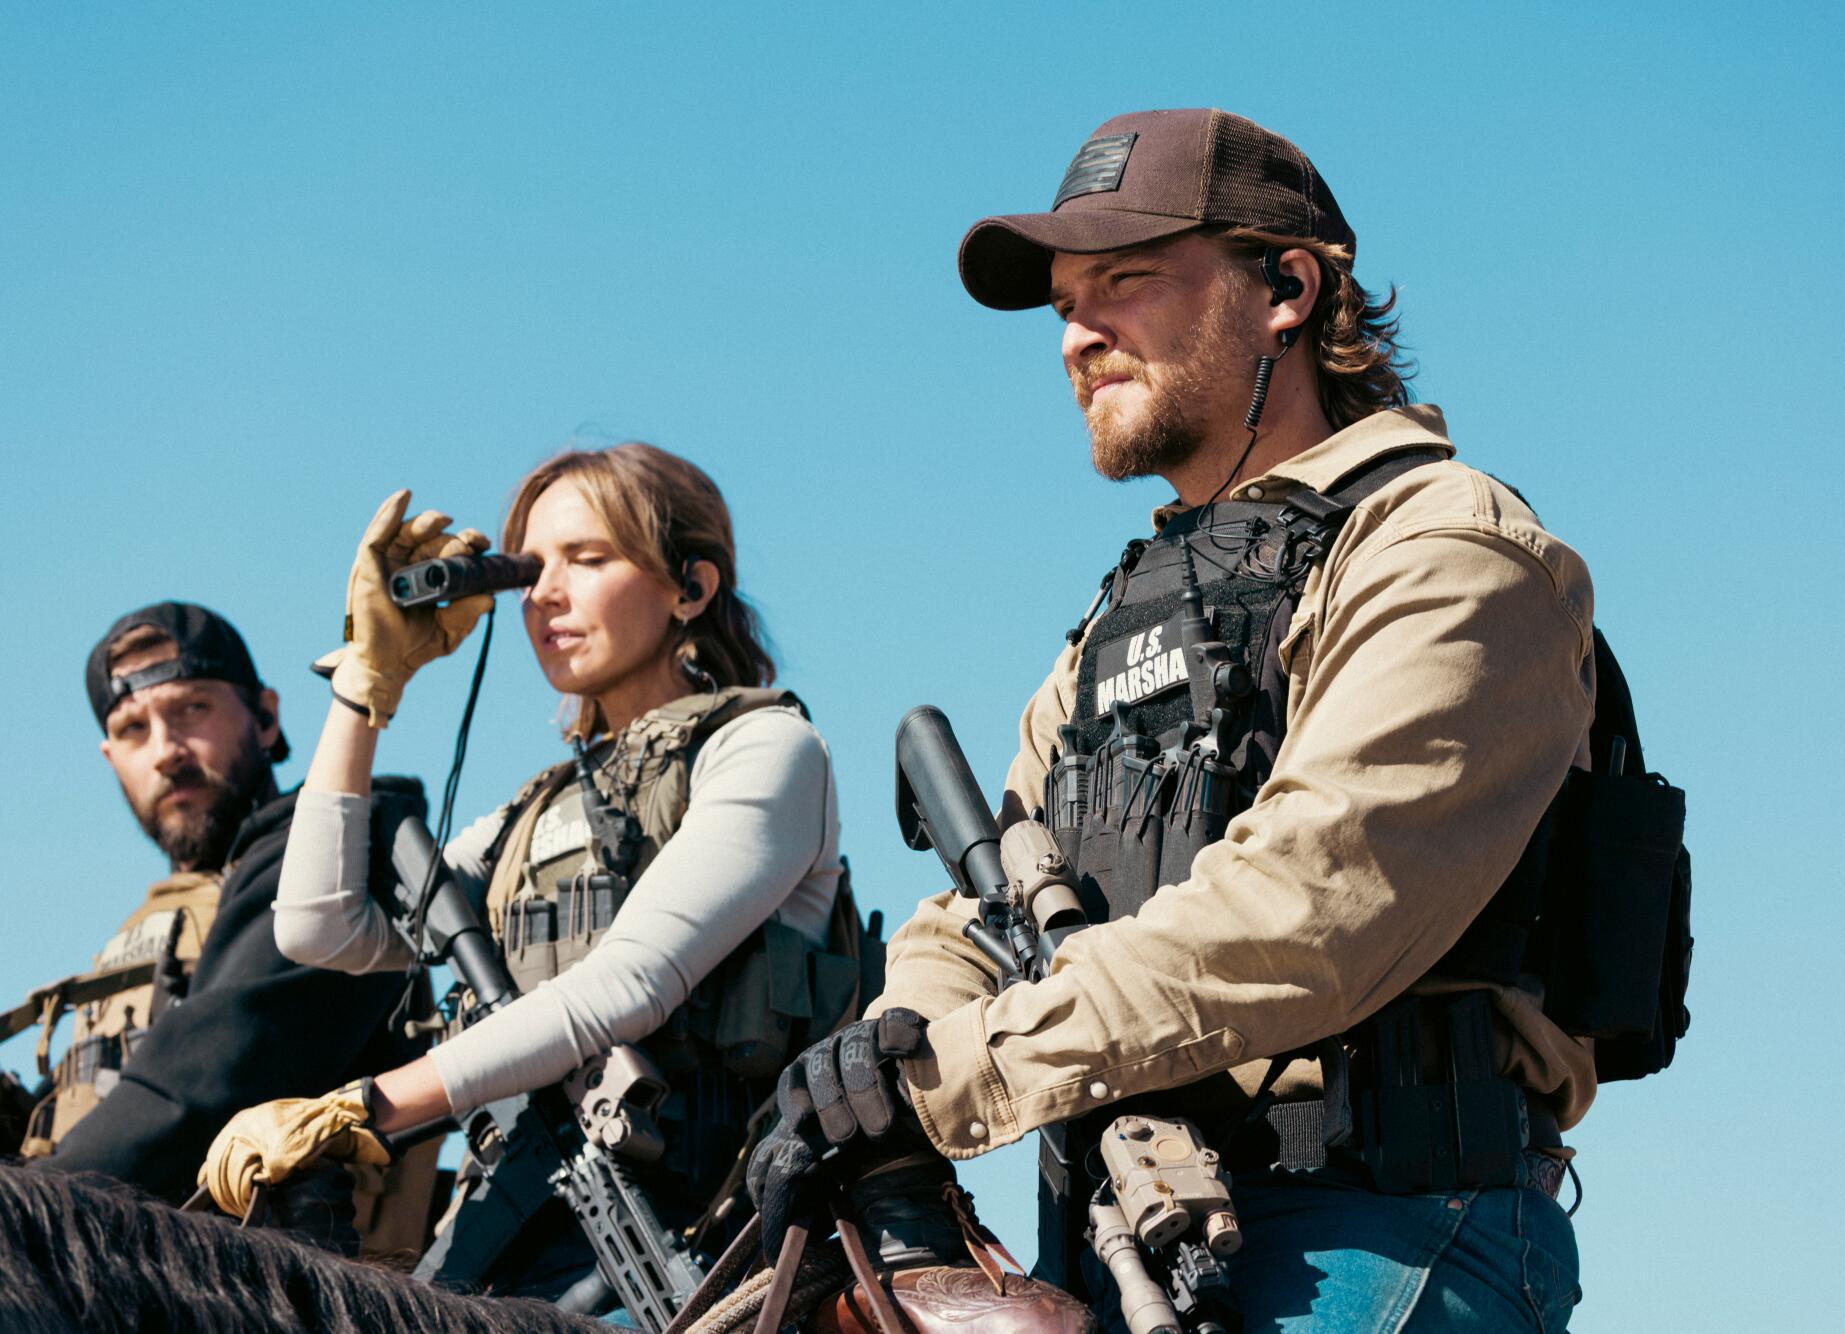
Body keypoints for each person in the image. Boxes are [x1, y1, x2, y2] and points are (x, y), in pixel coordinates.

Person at [750, 109, 1601, 1331]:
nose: (1075, 338)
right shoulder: (1125, 612)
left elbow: (1305, 907)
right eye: (1060, 305)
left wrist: (942, 1081)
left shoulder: (1447, 547)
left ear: (1287, 290)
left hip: (1373, 1223)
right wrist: (886, 1050)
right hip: (1117, 1220)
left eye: (1124, 283)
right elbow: (980, 905)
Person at [200, 443, 857, 1313]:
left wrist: (366, 1108)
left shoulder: (765, 749)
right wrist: (366, 686)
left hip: (710, 1264)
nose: (546, 593)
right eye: (531, 570)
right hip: (504, 1254)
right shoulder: (527, 817)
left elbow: (628, 985)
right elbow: (316, 928)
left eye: (588, 559)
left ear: (690, 589)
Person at [4, 601, 435, 1255]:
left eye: (192, 710)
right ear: (107, 756)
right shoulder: (155, 926)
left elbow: (204, 1085)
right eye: (132, 729)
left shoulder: (330, 863)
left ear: (265, 716)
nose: (166, 752)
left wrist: (24, 1217)